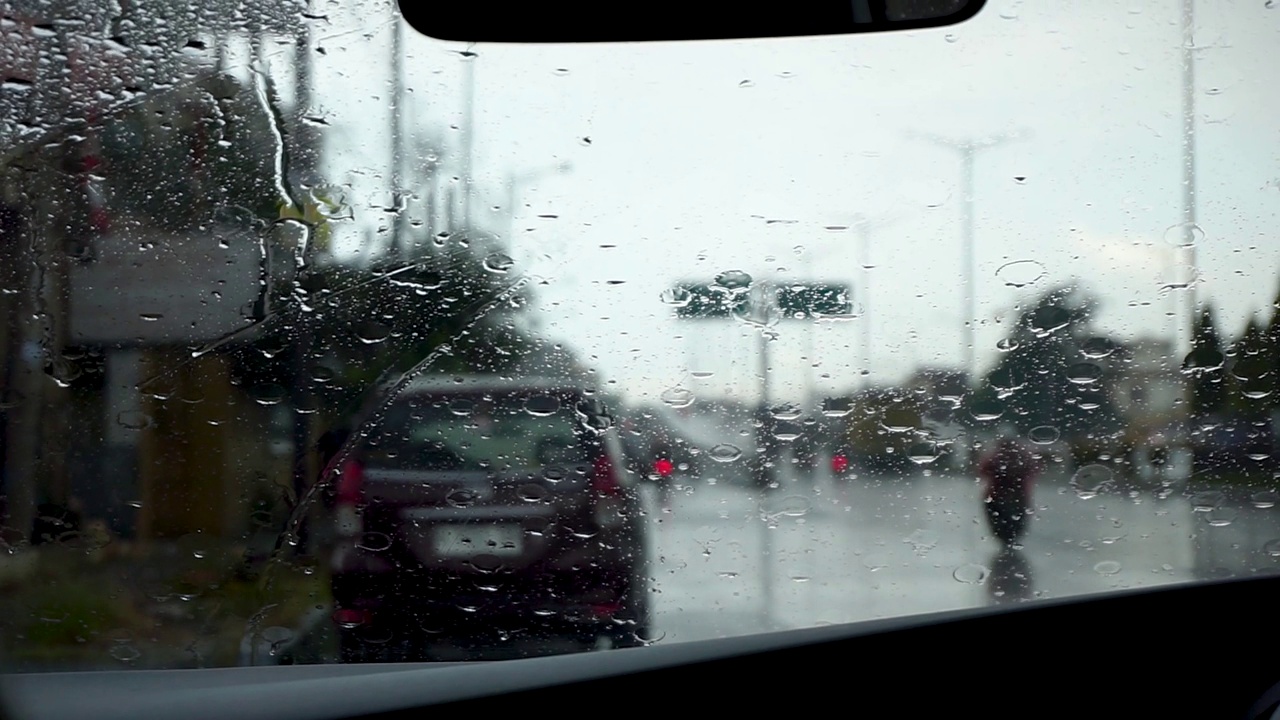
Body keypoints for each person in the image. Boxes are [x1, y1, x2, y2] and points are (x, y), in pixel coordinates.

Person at [978, 437, 1041, 545]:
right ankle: (1009, 536)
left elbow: (982, 470)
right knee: (1013, 519)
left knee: (1001, 519)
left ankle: (1006, 536)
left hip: (1000, 495)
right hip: (1014, 495)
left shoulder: (997, 457)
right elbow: (1034, 470)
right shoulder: (1022, 457)